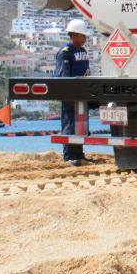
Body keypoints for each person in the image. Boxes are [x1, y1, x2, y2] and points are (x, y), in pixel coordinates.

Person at [55, 19, 92, 165]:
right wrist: (69, 94)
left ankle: (79, 154)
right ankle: (69, 156)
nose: (85, 39)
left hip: (82, 95)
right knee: (69, 124)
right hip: (70, 96)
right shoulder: (66, 52)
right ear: (74, 35)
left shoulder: (82, 51)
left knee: (80, 125)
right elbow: (65, 76)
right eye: (83, 36)